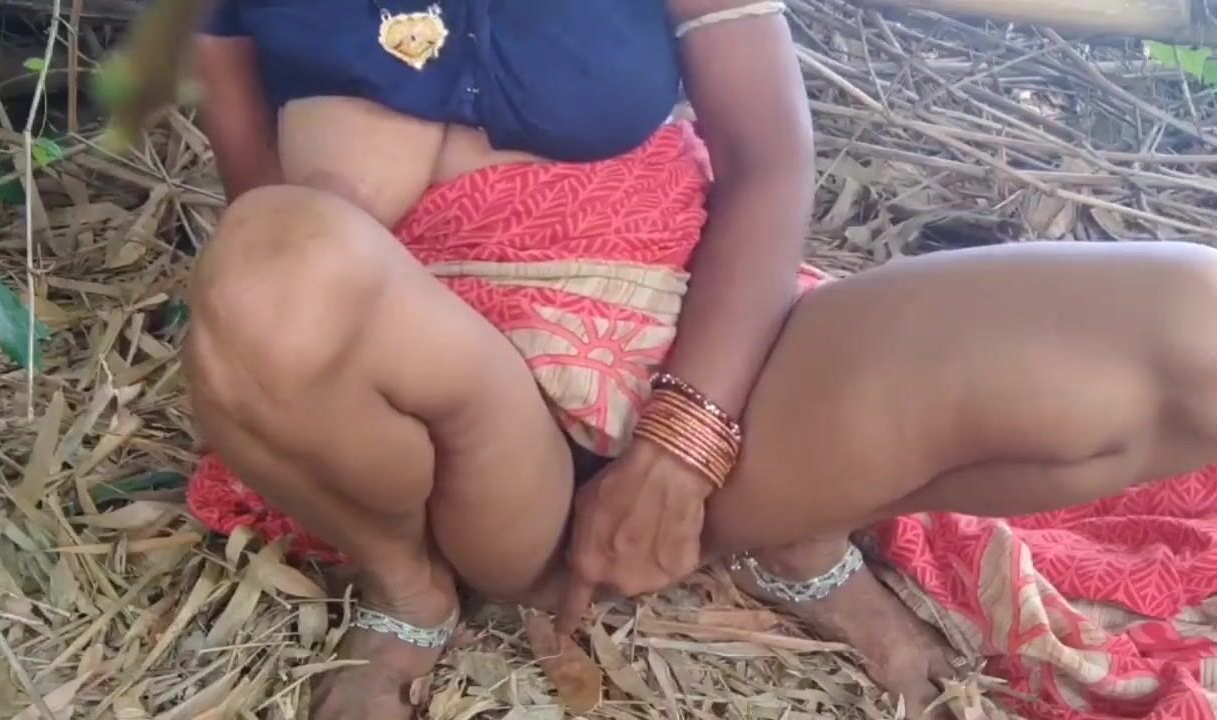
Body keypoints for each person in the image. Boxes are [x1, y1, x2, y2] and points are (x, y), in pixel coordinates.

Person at [180, 0, 1217, 717]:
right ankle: (408, 588)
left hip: (721, 357)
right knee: (275, 256)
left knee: (1194, 321)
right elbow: (275, 267)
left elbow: (768, 163)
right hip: (463, 423)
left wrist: (685, 440)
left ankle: (789, 535)